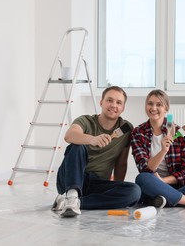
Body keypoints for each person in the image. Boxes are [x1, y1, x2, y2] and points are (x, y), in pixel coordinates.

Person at [52, 86, 141, 218]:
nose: (113, 105)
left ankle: (75, 202)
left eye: (118, 102)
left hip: (97, 183)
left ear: (123, 108)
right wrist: (92, 139)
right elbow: (69, 136)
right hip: (70, 178)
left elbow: (121, 162)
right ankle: (71, 195)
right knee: (77, 146)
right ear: (101, 102)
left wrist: (116, 186)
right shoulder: (85, 121)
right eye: (109, 100)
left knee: (134, 191)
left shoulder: (126, 128)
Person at [131, 89, 185, 209]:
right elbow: (145, 169)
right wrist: (163, 151)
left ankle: (163, 199)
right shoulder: (138, 133)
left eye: (159, 104)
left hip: (176, 183)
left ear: (166, 108)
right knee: (142, 179)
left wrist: (163, 181)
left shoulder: (179, 132)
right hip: (152, 183)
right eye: (150, 103)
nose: (153, 108)